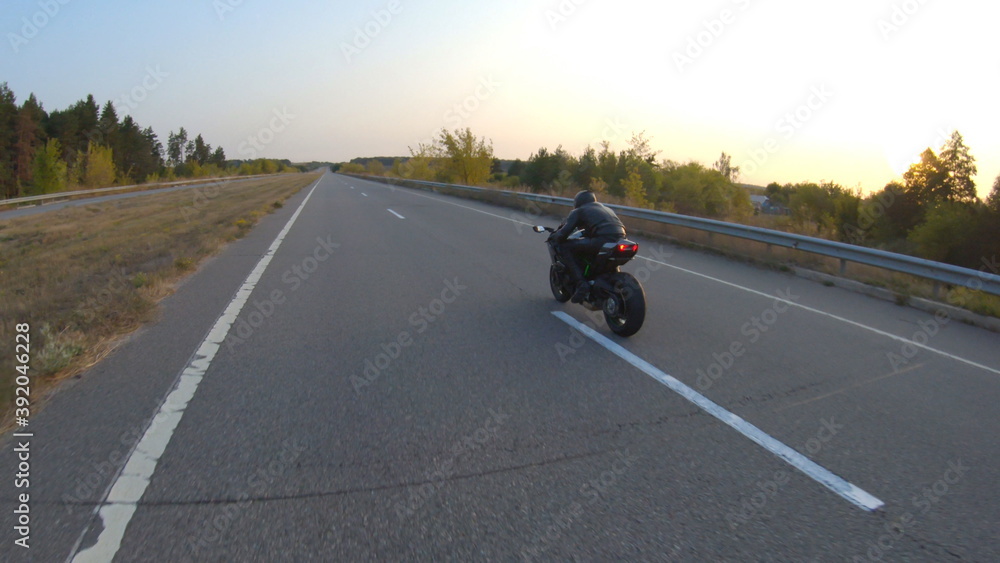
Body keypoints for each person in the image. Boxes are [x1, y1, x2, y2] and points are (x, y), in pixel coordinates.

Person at [551, 190, 627, 303]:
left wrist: (555, 237)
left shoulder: (579, 211)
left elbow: (564, 232)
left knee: (565, 247)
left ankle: (582, 284)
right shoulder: (606, 209)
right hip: (622, 239)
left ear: (578, 202)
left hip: (602, 240)